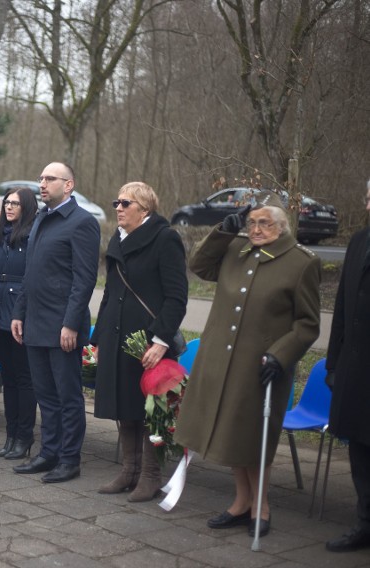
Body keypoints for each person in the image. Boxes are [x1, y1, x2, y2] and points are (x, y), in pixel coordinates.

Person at [174, 190, 320, 538]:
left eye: (264, 223)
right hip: (220, 362)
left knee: (255, 437)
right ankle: (241, 502)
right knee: (230, 433)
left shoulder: (301, 263)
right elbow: (199, 265)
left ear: (282, 227)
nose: (256, 229)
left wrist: (281, 355)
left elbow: (308, 324)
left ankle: (261, 506)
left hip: (261, 368)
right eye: (252, 223)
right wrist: (223, 231)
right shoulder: (236, 250)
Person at [91, 182, 188, 501]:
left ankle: (151, 474)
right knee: (124, 404)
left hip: (149, 342)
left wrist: (160, 340)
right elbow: (110, 292)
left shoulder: (165, 239)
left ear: (145, 209)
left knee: (151, 410)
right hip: (118, 336)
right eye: (116, 202)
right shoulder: (118, 239)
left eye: (125, 203)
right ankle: (129, 470)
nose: (117, 207)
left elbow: (176, 297)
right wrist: (99, 336)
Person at [11, 162, 101, 483]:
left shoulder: (82, 223)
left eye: (50, 178)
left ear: (69, 185)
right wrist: (19, 313)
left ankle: (69, 459)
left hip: (63, 326)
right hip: (35, 321)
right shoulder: (40, 220)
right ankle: (48, 453)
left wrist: (72, 323)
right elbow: (30, 273)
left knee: (67, 396)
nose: (43, 183)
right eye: (41, 178)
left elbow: (84, 278)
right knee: (45, 395)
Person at [323, 180, 370, 553]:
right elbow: (341, 308)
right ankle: (364, 523)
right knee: (358, 445)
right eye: (368, 197)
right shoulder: (358, 242)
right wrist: (333, 361)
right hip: (356, 368)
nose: (369, 203)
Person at [0, 185, 39, 460]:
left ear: (27, 207)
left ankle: (24, 435)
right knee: (8, 377)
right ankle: (10, 434)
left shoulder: (32, 235)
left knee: (24, 378)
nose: (9, 207)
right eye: (7, 202)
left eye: (15, 204)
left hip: (20, 312)